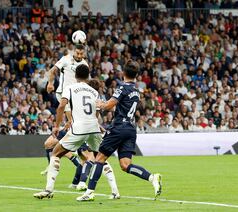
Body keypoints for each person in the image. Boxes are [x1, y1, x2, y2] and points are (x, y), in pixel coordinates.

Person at [77, 61, 162, 201]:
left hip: (119, 128)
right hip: (130, 129)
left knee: (99, 158)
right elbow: (125, 107)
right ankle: (152, 178)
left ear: (124, 73)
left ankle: (89, 192)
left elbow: (109, 105)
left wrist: (101, 104)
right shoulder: (136, 91)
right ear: (136, 75)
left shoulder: (122, 87)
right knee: (125, 165)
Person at [33, 64, 119, 199]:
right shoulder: (94, 92)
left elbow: (62, 105)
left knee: (55, 153)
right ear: (88, 75)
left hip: (79, 128)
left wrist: (56, 125)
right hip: (93, 128)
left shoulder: (70, 88)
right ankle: (115, 191)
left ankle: (49, 190)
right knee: (101, 158)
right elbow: (97, 114)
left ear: (75, 75)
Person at [40, 44, 88, 185]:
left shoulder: (84, 65)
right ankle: (78, 175)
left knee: (85, 155)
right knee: (49, 145)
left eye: (81, 54)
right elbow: (52, 70)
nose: (79, 56)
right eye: (77, 53)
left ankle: (82, 180)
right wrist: (50, 83)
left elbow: (86, 83)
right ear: (74, 51)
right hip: (68, 104)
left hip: (75, 109)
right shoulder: (66, 59)